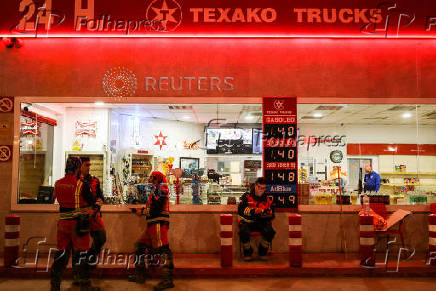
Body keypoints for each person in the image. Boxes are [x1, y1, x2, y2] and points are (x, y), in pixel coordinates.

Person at [50, 156, 99, 291]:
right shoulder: (81, 184)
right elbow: (92, 200)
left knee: (61, 254)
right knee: (81, 255)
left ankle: (55, 286)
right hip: (78, 225)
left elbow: (52, 199)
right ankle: (84, 285)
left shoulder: (58, 183)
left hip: (63, 224)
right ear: (78, 168)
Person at [129, 171, 174, 291]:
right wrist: (141, 209)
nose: (149, 179)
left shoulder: (161, 189)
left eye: (151, 177)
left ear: (156, 179)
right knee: (140, 246)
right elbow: (152, 206)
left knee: (163, 250)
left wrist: (142, 212)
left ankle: (167, 280)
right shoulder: (156, 189)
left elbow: (156, 208)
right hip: (152, 225)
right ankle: (140, 275)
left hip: (158, 224)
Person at [72, 157, 106, 285]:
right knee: (79, 246)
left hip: (94, 215)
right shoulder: (75, 181)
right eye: (86, 165)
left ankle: (89, 262)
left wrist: (98, 205)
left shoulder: (95, 180)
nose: (89, 167)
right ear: (80, 166)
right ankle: (77, 273)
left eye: (89, 165)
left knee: (101, 237)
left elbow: (100, 197)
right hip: (80, 217)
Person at [238, 177, 275, 261]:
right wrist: (253, 211)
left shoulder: (268, 198)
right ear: (255, 186)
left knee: (270, 232)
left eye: (263, 188)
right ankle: (248, 252)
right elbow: (240, 210)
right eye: (259, 187)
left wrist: (268, 214)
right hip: (248, 222)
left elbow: (273, 214)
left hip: (262, 222)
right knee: (243, 232)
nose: (261, 190)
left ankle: (262, 252)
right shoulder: (246, 196)